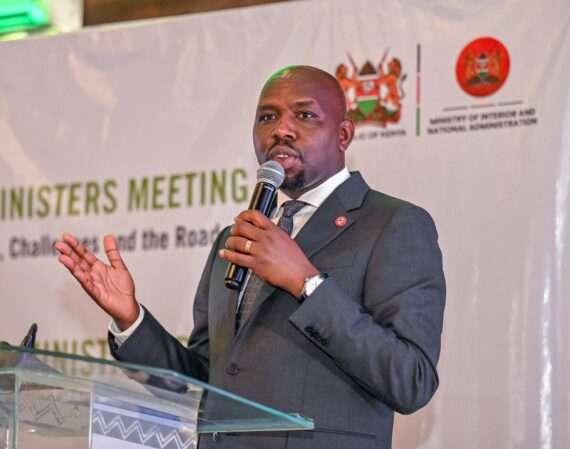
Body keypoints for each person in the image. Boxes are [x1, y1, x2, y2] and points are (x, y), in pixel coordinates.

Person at [55, 65, 445, 449]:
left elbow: (411, 380)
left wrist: (306, 283)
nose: (281, 130)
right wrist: (131, 320)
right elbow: (203, 378)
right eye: (267, 117)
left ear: (344, 134)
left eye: (304, 115)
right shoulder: (236, 239)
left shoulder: (392, 224)